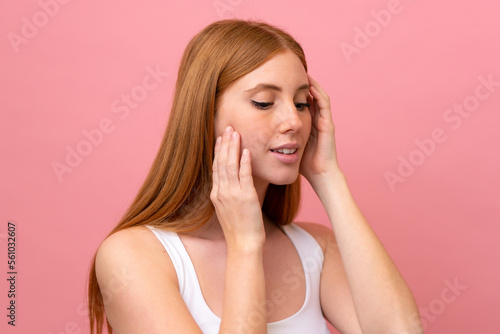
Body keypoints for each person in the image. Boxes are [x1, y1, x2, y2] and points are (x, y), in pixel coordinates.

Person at [87, 19, 423, 334]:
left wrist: (328, 176)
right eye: (264, 102)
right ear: (206, 115)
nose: (293, 120)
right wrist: (245, 246)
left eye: (302, 103)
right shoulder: (131, 256)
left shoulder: (315, 249)